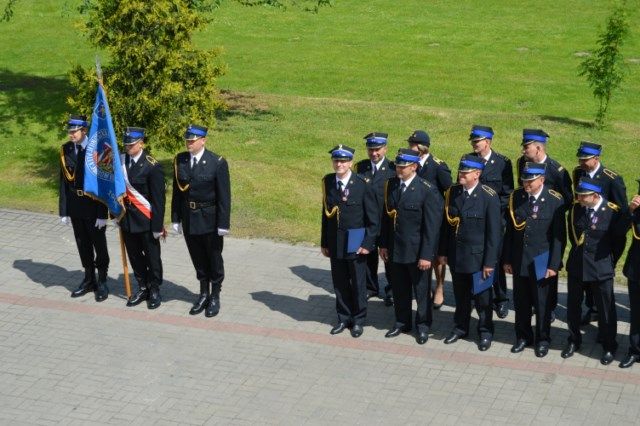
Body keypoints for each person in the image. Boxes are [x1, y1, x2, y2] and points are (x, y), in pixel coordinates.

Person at [379, 149, 443, 344]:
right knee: (400, 289)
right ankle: (402, 322)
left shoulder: (427, 190)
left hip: (417, 253)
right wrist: (383, 244)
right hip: (395, 249)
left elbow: (431, 228)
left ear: (414, 167)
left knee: (422, 292)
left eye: (403, 166)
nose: (399, 169)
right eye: (398, 166)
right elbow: (386, 218)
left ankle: (423, 326)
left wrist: (426, 255)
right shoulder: (391, 185)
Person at [562, 177, 629, 365]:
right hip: (577, 266)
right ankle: (573, 340)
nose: (579, 199)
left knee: (606, 309)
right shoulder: (576, 209)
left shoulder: (612, 212)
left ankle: (609, 345)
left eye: (584, 196)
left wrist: (609, 262)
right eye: (578, 195)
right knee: (573, 306)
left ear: (596, 195)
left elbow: (618, 242)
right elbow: (573, 236)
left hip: (601, 267)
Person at [503, 163, 565, 357]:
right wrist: (507, 259)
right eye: (524, 180)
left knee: (542, 304)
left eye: (530, 181)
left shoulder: (554, 200)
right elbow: (510, 233)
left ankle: (543, 339)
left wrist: (554, 265)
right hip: (520, 259)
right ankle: (523, 336)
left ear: (542, 180)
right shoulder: (516, 197)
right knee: (521, 303)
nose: (526, 184)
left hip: (541, 260)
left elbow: (558, 238)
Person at [439, 154, 500, 351]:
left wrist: (489, 262)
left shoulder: (488, 197)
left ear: (477, 174)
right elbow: (446, 227)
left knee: (483, 299)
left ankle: (485, 331)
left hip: (479, 258)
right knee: (461, 297)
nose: (461, 175)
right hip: (457, 256)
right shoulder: (453, 193)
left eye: (465, 173)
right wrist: (443, 252)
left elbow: (494, 234)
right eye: (460, 172)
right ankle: (460, 327)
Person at [171, 124, 231, 317]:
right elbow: (177, 193)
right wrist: (175, 218)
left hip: (209, 219)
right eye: (187, 140)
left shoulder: (217, 162)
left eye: (192, 140)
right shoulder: (180, 160)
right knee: (197, 257)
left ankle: (215, 295)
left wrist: (223, 223)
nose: (189, 143)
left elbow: (224, 197)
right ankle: (203, 293)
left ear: (203, 140)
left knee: (213, 258)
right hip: (189, 218)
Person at [322, 145, 379, 338]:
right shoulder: (328, 182)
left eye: (343, 161)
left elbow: (373, 219)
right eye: (336, 161)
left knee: (358, 282)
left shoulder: (363, 184)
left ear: (351, 163)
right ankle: (343, 317)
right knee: (339, 282)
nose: (339, 164)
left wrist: (367, 244)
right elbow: (326, 215)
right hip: (335, 242)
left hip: (356, 241)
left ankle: (358, 320)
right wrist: (324, 242)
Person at [516, 129, 573, 322]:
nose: (523, 151)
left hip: (548, 226)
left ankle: (549, 307)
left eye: (527, 147)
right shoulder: (522, 163)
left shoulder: (557, 171)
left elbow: (567, 200)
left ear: (538, 148)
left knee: (547, 276)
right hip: (528, 223)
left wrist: (548, 214)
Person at [572, 141, 628, 326]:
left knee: (600, 283)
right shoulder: (578, 173)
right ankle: (592, 308)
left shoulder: (612, 179)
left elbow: (622, 214)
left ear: (596, 158)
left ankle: (600, 315)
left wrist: (612, 252)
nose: (581, 163)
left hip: (604, 239)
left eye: (585, 160)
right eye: (580, 159)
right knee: (586, 278)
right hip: (584, 237)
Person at [59, 114, 109, 302]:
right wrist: (64, 210)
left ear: (84, 130)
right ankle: (89, 279)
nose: (71, 134)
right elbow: (63, 182)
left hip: (93, 205)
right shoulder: (66, 150)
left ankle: (102, 280)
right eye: (70, 131)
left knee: (99, 245)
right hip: (75, 205)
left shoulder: (98, 150)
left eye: (75, 131)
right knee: (82, 243)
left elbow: (103, 183)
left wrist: (102, 213)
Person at [468, 125, 514, 319]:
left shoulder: (502, 163)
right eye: (473, 141)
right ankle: (476, 295)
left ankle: (501, 298)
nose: (474, 144)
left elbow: (507, 193)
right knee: (476, 258)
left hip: (496, 220)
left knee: (495, 259)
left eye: (477, 141)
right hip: (474, 220)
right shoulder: (468, 159)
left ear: (487, 142)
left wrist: (491, 210)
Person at [118, 127, 166, 309]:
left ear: (141, 144)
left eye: (131, 144)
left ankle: (154, 288)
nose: (128, 147)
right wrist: (115, 213)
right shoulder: (120, 162)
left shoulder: (152, 166)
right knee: (135, 256)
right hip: (127, 219)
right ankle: (142, 286)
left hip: (146, 220)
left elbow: (159, 200)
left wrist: (157, 226)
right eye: (126, 144)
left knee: (152, 257)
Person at [407, 130, 452, 309]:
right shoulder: (409, 163)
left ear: (421, 147)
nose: (410, 147)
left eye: (412, 145)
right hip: (415, 217)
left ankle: (439, 287)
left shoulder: (438, 166)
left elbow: (448, 190)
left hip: (435, 218)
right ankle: (422, 287)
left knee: (437, 258)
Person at [355, 132, 395, 306]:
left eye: (377, 149)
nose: (374, 153)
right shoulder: (360, 167)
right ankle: (371, 287)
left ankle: (392, 290)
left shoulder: (393, 168)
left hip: (386, 221)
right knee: (368, 256)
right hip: (367, 222)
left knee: (390, 259)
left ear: (385, 149)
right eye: (370, 150)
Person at [620, 185, 640, 368]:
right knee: (636, 313)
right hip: (636, 268)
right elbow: (619, 229)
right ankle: (635, 350)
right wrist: (630, 210)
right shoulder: (636, 210)